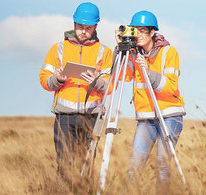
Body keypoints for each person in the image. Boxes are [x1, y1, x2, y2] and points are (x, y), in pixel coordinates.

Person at [39, 2, 113, 181]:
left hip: (91, 118)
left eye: (88, 28)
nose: (83, 31)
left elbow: (110, 85)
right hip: (65, 118)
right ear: (74, 24)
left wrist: (97, 83)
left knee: (85, 167)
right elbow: (44, 80)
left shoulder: (104, 52)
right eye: (80, 27)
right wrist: (57, 79)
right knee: (64, 164)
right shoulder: (58, 49)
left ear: (96, 26)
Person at [114, 10, 186, 194]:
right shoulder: (133, 54)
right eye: (135, 30)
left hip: (170, 115)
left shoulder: (169, 52)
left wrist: (150, 72)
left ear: (153, 32)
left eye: (143, 31)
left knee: (162, 165)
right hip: (146, 118)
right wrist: (120, 50)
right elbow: (122, 76)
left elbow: (171, 87)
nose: (138, 35)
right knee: (134, 165)